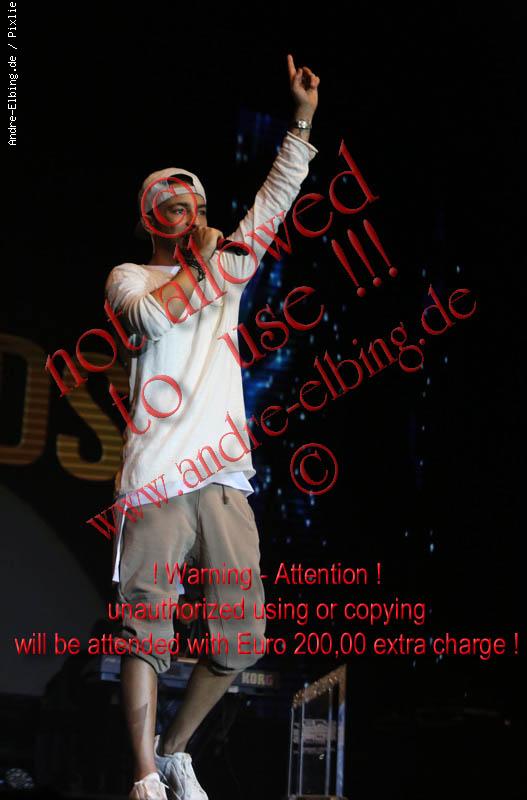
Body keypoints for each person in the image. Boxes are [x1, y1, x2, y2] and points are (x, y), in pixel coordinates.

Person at [104, 53, 320, 800]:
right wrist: (207, 261)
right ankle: (142, 776)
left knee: (241, 637)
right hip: (159, 477)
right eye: (172, 199)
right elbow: (154, 318)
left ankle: (173, 751)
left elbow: (274, 201)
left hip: (225, 475)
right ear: (149, 215)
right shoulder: (130, 278)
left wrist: (301, 122)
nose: (187, 206)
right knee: (147, 629)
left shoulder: (223, 270)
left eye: (194, 198)